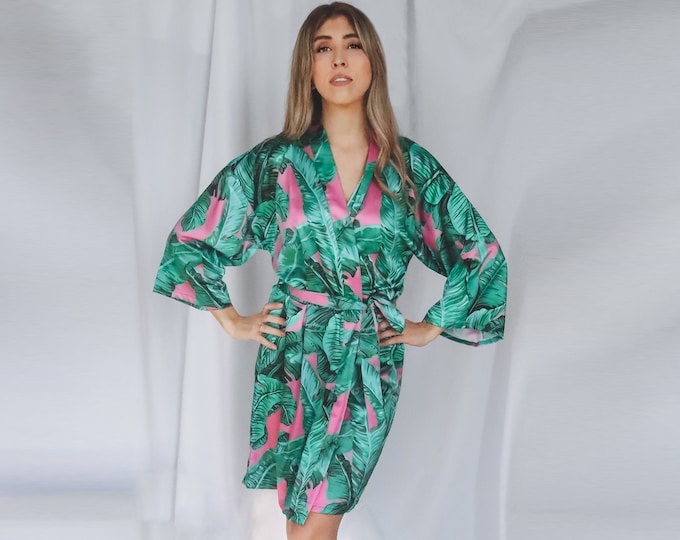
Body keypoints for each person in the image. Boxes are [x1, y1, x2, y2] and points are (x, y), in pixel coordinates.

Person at [153, 2, 507, 539]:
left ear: (373, 62)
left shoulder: (408, 167)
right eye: (324, 48)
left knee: (319, 516)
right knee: (304, 522)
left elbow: (479, 250)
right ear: (309, 68)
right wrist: (232, 318)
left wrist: (431, 325)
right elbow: (193, 238)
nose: (339, 59)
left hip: (368, 359)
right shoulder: (276, 163)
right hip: (294, 357)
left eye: (353, 45)